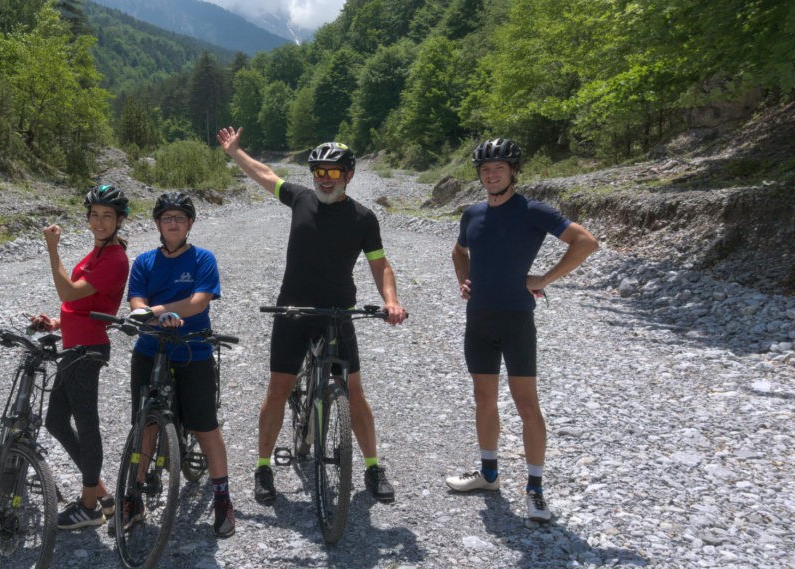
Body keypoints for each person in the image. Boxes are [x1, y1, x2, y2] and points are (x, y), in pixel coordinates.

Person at [216, 127, 407, 506]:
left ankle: (372, 467)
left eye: (333, 172)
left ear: (348, 175)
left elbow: (380, 264)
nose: (324, 178)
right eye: (318, 171)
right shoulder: (301, 199)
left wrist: (391, 300)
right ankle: (263, 467)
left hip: (337, 314)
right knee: (277, 390)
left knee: (354, 393)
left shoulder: (364, 218)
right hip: (292, 310)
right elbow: (265, 175)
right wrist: (235, 152)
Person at [445, 138, 598, 521]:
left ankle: (535, 488)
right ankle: (489, 473)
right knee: (483, 399)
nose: (491, 174)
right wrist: (464, 280)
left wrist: (545, 277)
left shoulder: (532, 210)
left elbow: (585, 242)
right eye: (484, 170)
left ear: (513, 171)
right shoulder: (472, 214)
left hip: (516, 320)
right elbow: (458, 251)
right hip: (479, 318)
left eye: (498, 168)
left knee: (527, 405)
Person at [121, 191, 236, 538]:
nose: (173, 223)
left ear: (189, 224)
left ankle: (222, 499)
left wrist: (154, 313)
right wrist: (152, 314)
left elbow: (198, 303)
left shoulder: (203, 259)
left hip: (193, 350)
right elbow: (135, 299)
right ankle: (134, 496)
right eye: (167, 218)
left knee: (205, 426)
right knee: (145, 425)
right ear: (157, 223)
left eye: (180, 218)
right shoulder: (143, 262)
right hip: (149, 351)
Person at [29, 184, 131, 530]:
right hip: (75, 345)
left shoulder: (115, 258)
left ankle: (89, 506)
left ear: (119, 220)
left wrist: (52, 250)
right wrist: (58, 321)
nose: (99, 222)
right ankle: (101, 493)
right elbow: (82, 303)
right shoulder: (97, 253)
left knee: (87, 425)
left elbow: (68, 290)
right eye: (94, 215)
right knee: (56, 421)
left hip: (88, 350)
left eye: (107, 216)